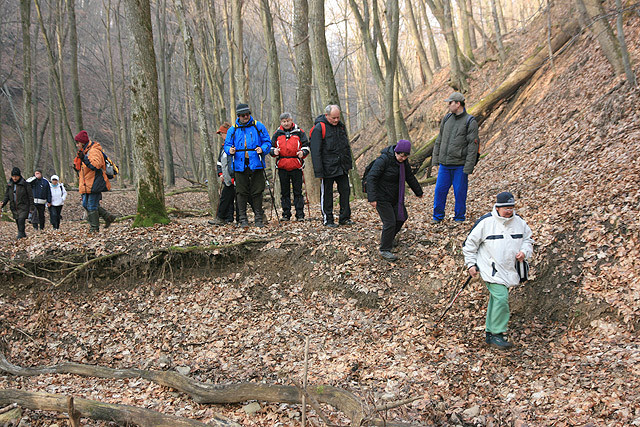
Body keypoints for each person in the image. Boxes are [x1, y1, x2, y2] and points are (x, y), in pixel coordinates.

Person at [462, 191, 534, 349]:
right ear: (498, 207)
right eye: (506, 208)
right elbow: (469, 245)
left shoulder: (519, 222)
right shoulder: (486, 222)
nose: (509, 211)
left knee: (497, 299)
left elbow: (528, 240)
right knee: (501, 298)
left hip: (510, 269)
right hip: (491, 269)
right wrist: (471, 264)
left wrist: (524, 252)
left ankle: (490, 333)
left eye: (511, 207)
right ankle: (498, 334)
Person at [367, 140, 423, 261]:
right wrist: (372, 198)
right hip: (381, 196)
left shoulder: (404, 163)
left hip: (395, 196)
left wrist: (418, 191)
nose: (402, 158)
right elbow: (371, 177)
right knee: (390, 222)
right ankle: (384, 249)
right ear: (395, 152)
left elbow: (409, 177)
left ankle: (389, 238)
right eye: (400, 155)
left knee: (402, 217)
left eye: (405, 156)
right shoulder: (383, 160)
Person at [431, 92, 479, 224]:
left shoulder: (470, 121)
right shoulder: (447, 119)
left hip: (460, 165)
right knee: (439, 190)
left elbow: (472, 146)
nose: (448, 105)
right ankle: (437, 217)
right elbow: (439, 140)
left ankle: (459, 217)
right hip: (444, 165)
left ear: (458, 104)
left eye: (450, 103)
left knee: (460, 192)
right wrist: (435, 160)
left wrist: (469, 167)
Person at [224, 103, 272, 228]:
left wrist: (263, 149)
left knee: (257, 191)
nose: (246, 116)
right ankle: (243, 219)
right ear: (239, 116)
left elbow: (267, 141)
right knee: (241, 192)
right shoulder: (233, 129)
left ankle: (258, 219)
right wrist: (230, 150)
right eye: (243, 115)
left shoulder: (258, 126)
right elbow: (227, 145)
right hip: (239, 164)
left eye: (247, 114)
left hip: (256, 162)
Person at [309, 105, 353, 227]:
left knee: (345, 191)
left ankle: (344, 217)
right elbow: (315, 151)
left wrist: (348, 164)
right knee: (327, 194)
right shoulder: (319, 128)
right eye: (333, 118)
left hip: (342, 166)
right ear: (327, 115)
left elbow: (346, 147)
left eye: (338, 117)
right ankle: (328, 219)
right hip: (327, 168)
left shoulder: (341, 127)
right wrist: (319, 172)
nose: (336, 120)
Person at [73, 130, 116, 232]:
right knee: (85, 204)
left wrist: (84, 159)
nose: (77, 145)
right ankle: (108, 217)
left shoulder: (94, 151)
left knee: (91, 205)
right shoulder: (85, 151)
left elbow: (95, 166)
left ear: (82, 142)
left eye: (78, 143)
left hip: (95, 182)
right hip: (86, 183)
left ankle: (94, 228)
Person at [270, 112, 310, 221]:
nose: (286, 123)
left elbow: (306, 146)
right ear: (281, 122)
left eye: (288, 121)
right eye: (284, 121)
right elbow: (271, 148)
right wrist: (274, 151)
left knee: (298, 191)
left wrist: (303, 152)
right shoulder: (277, 133)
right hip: (282, 166)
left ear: (291, 120)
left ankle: (300, 214)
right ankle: (286, 214)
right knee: (285, 192)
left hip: (296, 165)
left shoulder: (299, 132)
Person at [209, 122, 236, 225]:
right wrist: (221, 174)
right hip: (227, 178)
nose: (221, 136)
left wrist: (233, 175)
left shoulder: (234, 145)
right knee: (225, 197)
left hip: (235, 177)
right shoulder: (223, 147)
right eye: (220, 134)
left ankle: (257, 216)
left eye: (222, 134)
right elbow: (219, 162)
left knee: (243, 197)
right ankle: (224, 218)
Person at [2, 167, 34, 239]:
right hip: (14, 207)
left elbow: (30, 196)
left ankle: (20, 236)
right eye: (13, 176)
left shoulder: (25, 184)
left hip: (23, 206)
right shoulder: (10, 185)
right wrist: (2, 204)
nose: (15, 178)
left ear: (19, 176)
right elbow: (7, 196)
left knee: (21, 220)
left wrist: (32, 207)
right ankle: (23, 234)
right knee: (17, 221)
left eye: (16, 176)